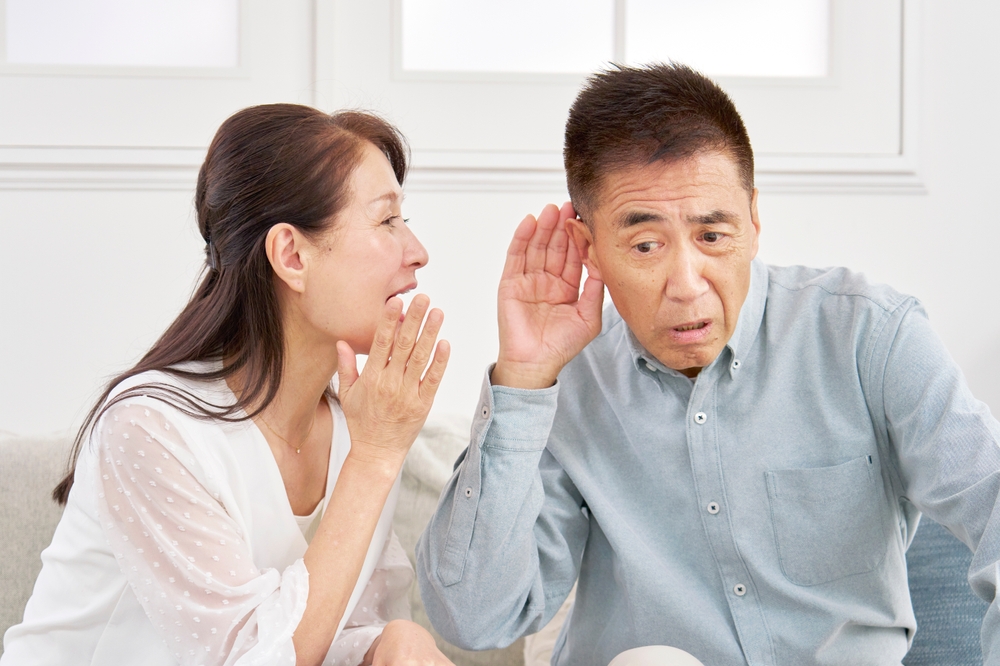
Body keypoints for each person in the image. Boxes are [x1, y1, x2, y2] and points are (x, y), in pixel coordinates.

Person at [415, 64, 1000, 665]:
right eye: (646, 246)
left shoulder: (868, 336)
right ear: (591, 250)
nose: (687, 285)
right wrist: (524, 379)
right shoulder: (569, 382)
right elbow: (476, 618)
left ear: (752, 220)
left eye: (713, 236)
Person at [2, 104, 455, 666]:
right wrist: (375, 460)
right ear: (291, 255)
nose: (417, 251)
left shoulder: (353, 426)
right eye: (387, 221)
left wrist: (393, 643)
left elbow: (343, 630)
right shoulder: (148, 428)